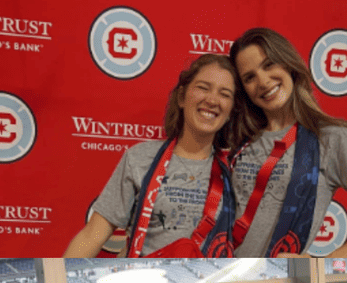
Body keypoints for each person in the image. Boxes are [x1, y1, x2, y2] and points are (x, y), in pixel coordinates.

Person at [228, 28, 347, 257]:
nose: (263, 81)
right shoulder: (238, 137)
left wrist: (325, 265)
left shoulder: (331, 137)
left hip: (271, 280)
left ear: (288, 64)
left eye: (269, 64)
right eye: (249, 77)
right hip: (219, 273)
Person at [65, 54, 244, 258]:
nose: (212, 100)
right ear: (182, 97)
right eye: (203, 87)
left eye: (225, 94)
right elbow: (92, 235)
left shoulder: (235, 169)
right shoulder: (140, 158)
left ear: (231, 111)